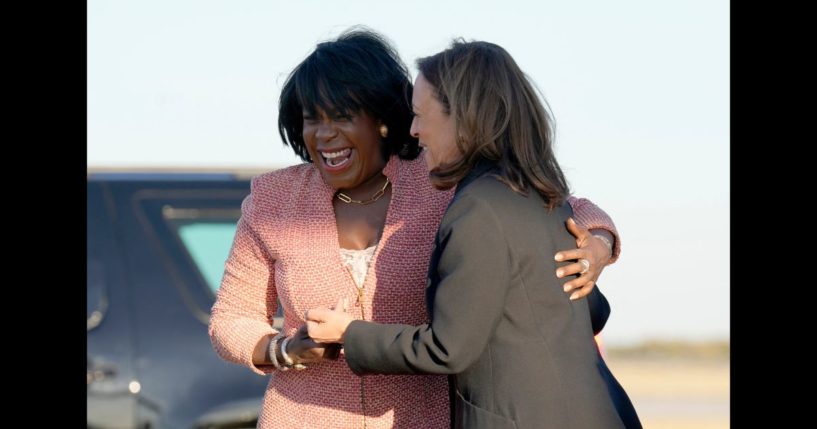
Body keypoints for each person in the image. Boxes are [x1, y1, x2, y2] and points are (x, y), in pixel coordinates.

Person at [209, 28, 622, 429]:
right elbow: (230, 318)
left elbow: (551, 203)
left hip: (425, 418)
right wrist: (284, 350)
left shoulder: (440, 180)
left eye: (342, 116)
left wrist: (599, 240)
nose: (324, 133)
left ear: (384, 119)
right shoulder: (274, 200)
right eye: (310, 119)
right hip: (302, 416)